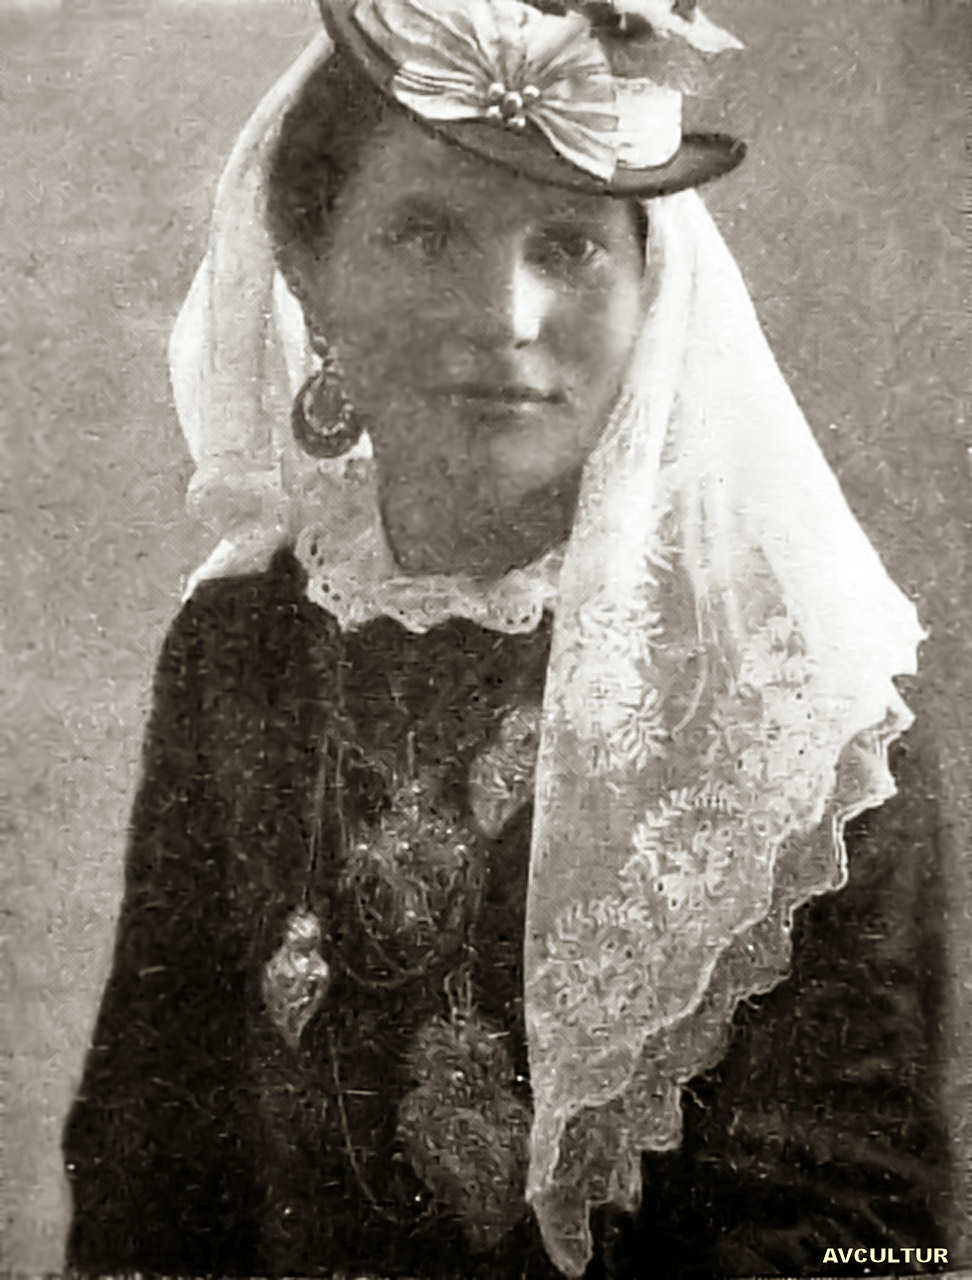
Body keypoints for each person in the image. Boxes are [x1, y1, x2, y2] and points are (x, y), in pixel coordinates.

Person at [63, 0, 948, 1275]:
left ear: (653, 293)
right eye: (425, 233)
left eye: (571, 246)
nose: (505, 314)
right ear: (310, 273)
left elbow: (864, 1235)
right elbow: (145, 1165)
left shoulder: (806, 712)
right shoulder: (240, 642)